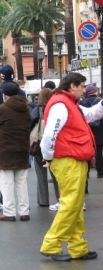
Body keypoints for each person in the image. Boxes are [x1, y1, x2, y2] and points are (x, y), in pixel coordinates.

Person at [40, 73, 102, 261]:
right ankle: (51, 244)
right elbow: (50, 134)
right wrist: (49, 156)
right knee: (71, 205)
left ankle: (77, 246)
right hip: (68, 159)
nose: (85, 90)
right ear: (72, 86)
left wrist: (50, 156)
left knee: (73, 205)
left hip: (71, 159)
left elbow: (90, 114)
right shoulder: (62, 104)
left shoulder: (67, 103)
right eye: (82, 86)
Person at [0, 65, 26, 212]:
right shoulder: (22, 93)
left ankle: (6, 204)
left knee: (4, 173)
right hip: (21, 136)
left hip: (0, 137)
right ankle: (23, 209)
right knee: (21, 177)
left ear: (0, 76)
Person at [29, 88, 59, 207]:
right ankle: (60, 198)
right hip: (53, 144)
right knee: (55, 174)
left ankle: (43, 200)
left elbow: (30, 123)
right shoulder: (54, 108)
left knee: (41, 174)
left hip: (39, 143)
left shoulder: (37, 109)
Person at [80, 85, 103, 178]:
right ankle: (100, 171)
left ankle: (86, 172)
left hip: (87, 130)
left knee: (87, 152)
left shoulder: (81, 102)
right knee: (99, 151)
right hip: (99, 130)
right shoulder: (99, 101)